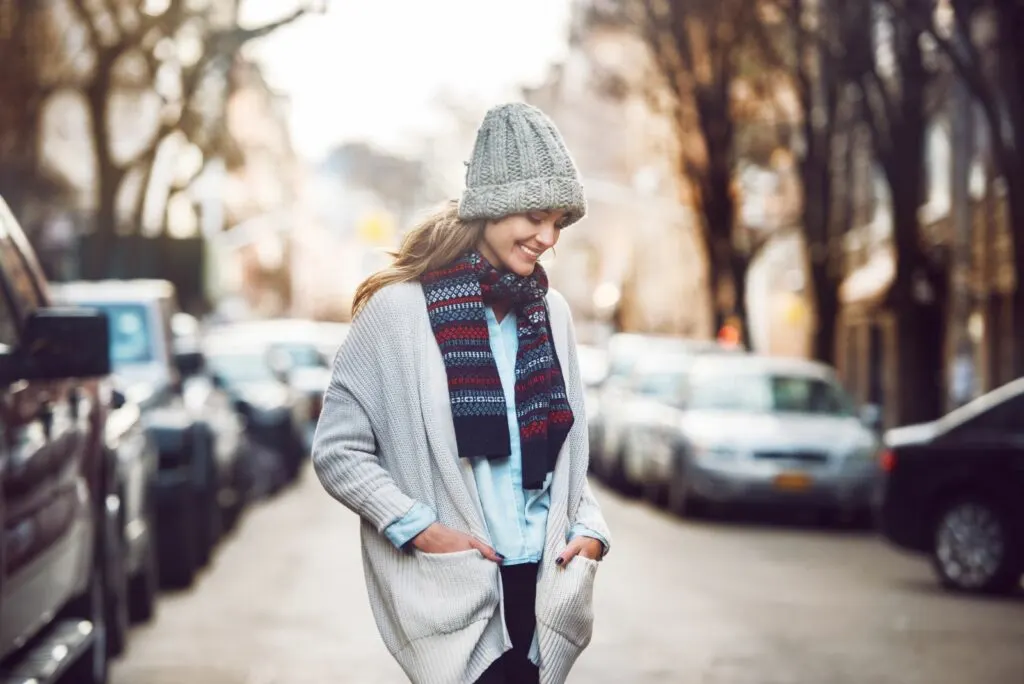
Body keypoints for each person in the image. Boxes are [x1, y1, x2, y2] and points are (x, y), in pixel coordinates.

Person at [311, 102, 611, 684]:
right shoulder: (397, 313)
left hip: (546, 587)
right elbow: (337, 451)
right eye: (535, 216)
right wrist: (421, 529)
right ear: (490, 206)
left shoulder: (552, 315)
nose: (548, 238)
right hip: (457, 584)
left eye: (559, 223)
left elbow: (567, 463)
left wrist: (592, 534)